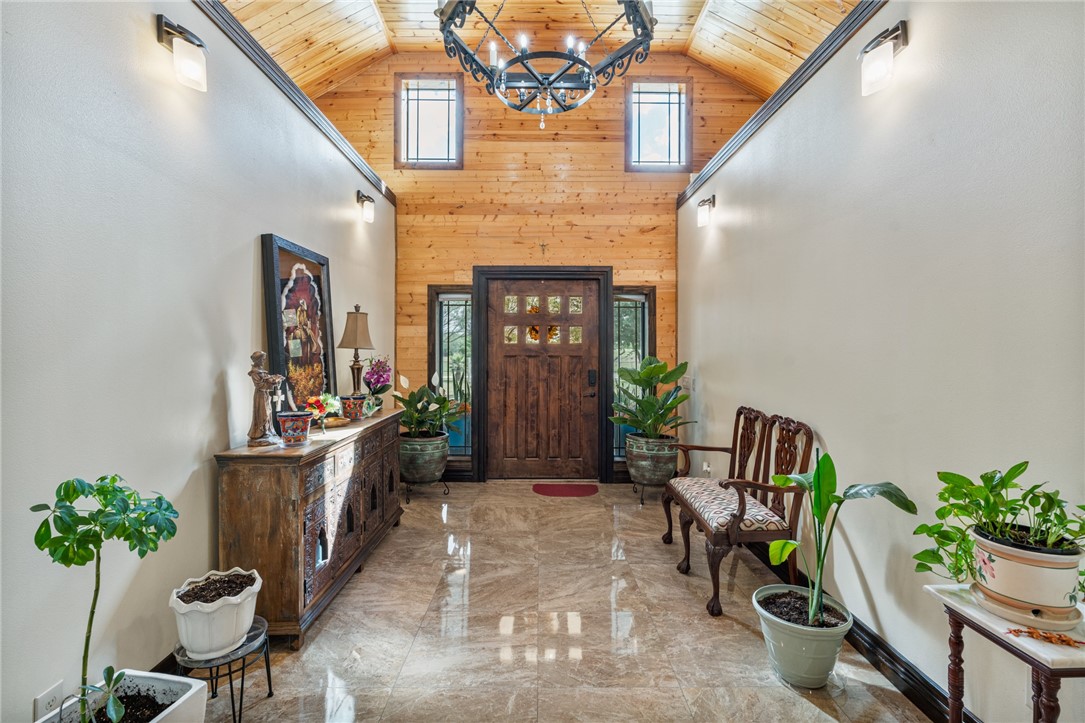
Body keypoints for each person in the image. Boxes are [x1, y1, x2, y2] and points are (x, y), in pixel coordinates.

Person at [248, 351, 285, 446]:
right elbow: (260, 385)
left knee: (268, 412)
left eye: (264, 359)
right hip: (260, 395)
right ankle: (260, 432)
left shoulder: (261, 370)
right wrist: (273, 381)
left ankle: (267, 430)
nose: (264, 361)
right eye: (262, 359)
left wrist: (275, 378)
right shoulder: (255, 372)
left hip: (265, 395)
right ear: (257, 360)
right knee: (262, 413)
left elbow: (267, 378)